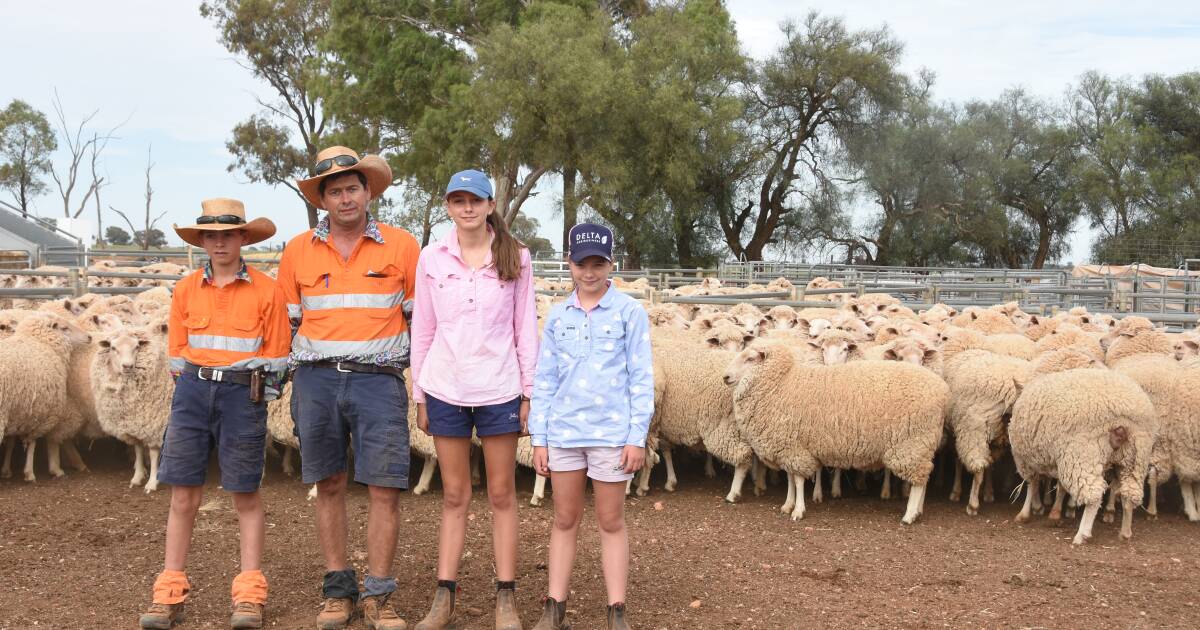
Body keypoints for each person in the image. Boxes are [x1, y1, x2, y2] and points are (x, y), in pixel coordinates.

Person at [277, 146, 421, 630]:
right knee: (329, 483)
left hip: (379, 382)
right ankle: (339, 591)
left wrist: (421, 386)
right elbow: (288, 323)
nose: (344, 198)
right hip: (317, 381)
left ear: (367, 191)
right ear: (322, 200)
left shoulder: (402, 247)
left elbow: (418, 321)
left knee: (384, 487)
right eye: (334, 191)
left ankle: (380, 594)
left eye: (352, 188)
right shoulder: (297, 251)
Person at [139, 198, 289, 630]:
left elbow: (277, 355)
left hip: (244, 396)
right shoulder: (185, 289)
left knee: (245, 493)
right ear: (201, 240)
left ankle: (249, 595)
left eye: (228, 235)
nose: (220, 243)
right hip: (192, 393)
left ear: (243, 238)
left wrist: (255, 396)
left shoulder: (267, 290)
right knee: (183, 493)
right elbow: (177, 354)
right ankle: (169, 593)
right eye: (211, 236)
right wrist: (195, 386)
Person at [409, 169, 538, 630]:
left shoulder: (516, 257)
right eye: (458, 200)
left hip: (499, 387)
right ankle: (444, 597)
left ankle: (506, 599)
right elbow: (423, 328)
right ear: (448, 205)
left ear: (489, 205)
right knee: (455, 495)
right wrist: (419, 392)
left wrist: (528, 393)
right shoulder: (431, 258)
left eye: (475, 200)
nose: (467, 207)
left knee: (502, 493)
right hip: (446, 386)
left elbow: (525, 328)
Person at [528, 223, 654, 630]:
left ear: (610, 263)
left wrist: (636, 437)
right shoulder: (558, 316)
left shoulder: (629, 313)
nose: (589, 272)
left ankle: (617, 609)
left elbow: (641, 378)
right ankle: (554, 605)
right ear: (570, 263)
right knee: (564, 519)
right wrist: (540, 438)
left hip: (611, 436)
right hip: (565, 434)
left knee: (610, 520)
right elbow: (544, 379)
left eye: (597, 263)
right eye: (581, 263)